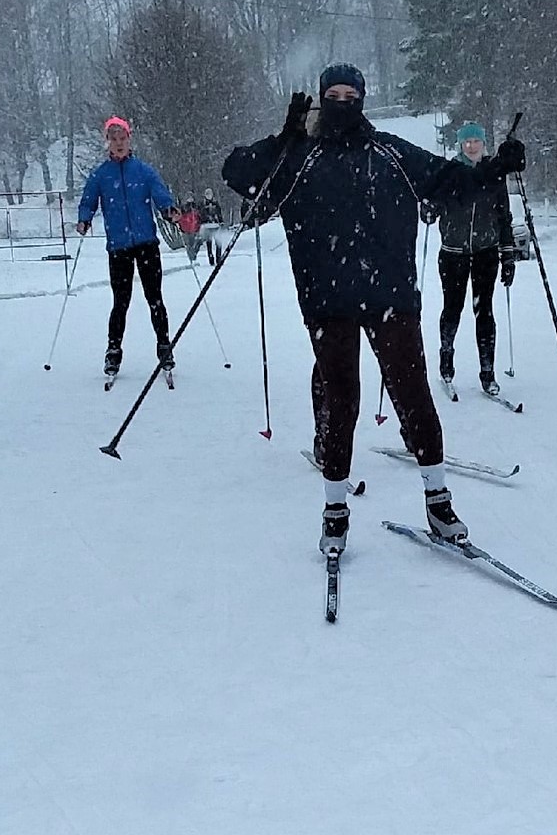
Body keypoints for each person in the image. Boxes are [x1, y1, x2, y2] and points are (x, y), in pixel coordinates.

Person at [222, 63, 526, 556]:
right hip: (328, 300)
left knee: (414, 395)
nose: (342, 102)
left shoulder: (389, 151)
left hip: (390, 297)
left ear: (363, 98)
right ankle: (335, 512)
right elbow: (237, 174)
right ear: (323, 100)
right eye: (333, 94)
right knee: (342, 402)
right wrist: (284, 136)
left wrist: (496, 168)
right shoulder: (299, 156)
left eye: (351, 93)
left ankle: (437, 499)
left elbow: (449, 182)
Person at [76, 115, 181, 375]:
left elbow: (160, 194)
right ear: (107, 142)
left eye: (122, 138)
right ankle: (113, 352)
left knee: (154, 298)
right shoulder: (100, 175)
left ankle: (164, 347)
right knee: (120, 302)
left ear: (129, 139)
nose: (119, 143)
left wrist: (169, 209)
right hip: (119, 247)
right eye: (114, 139)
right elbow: (88, 200)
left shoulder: (143, 171)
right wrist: (83, 219)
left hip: (146, 243)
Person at [426, 122, 518, 394]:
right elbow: (432, 208)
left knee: (485, 311)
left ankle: (487, 373)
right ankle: (446, 361)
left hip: (485, 252)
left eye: (476, 141)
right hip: (453, 253)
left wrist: (508, 255)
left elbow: (504, 216)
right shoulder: (449, 172)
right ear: (460, 145)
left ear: (483, 144)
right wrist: (429, 210)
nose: (471, 146)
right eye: (467, 142)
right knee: (452, 309)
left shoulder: (494, 174)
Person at [199, 187, 226, 265]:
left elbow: (219, 213)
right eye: (207, 194)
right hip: (207, 226)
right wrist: (204, 221)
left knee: (218, 242)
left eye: (210, 194)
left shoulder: (215, 202)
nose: (209, 196)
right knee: (209, 243)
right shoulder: (203, 204)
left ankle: (219, 258)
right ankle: (211, 259)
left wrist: (221, 221)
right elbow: (201, 214)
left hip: (216, 225)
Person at [177, 198, 203, 262]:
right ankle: (191, 257)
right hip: (187, 229)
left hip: (194, 228)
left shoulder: (196, 207)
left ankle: (193, 256)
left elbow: (200, 217)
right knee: (190, 244)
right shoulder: (185, 208)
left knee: (197, 242)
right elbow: (181, 217)